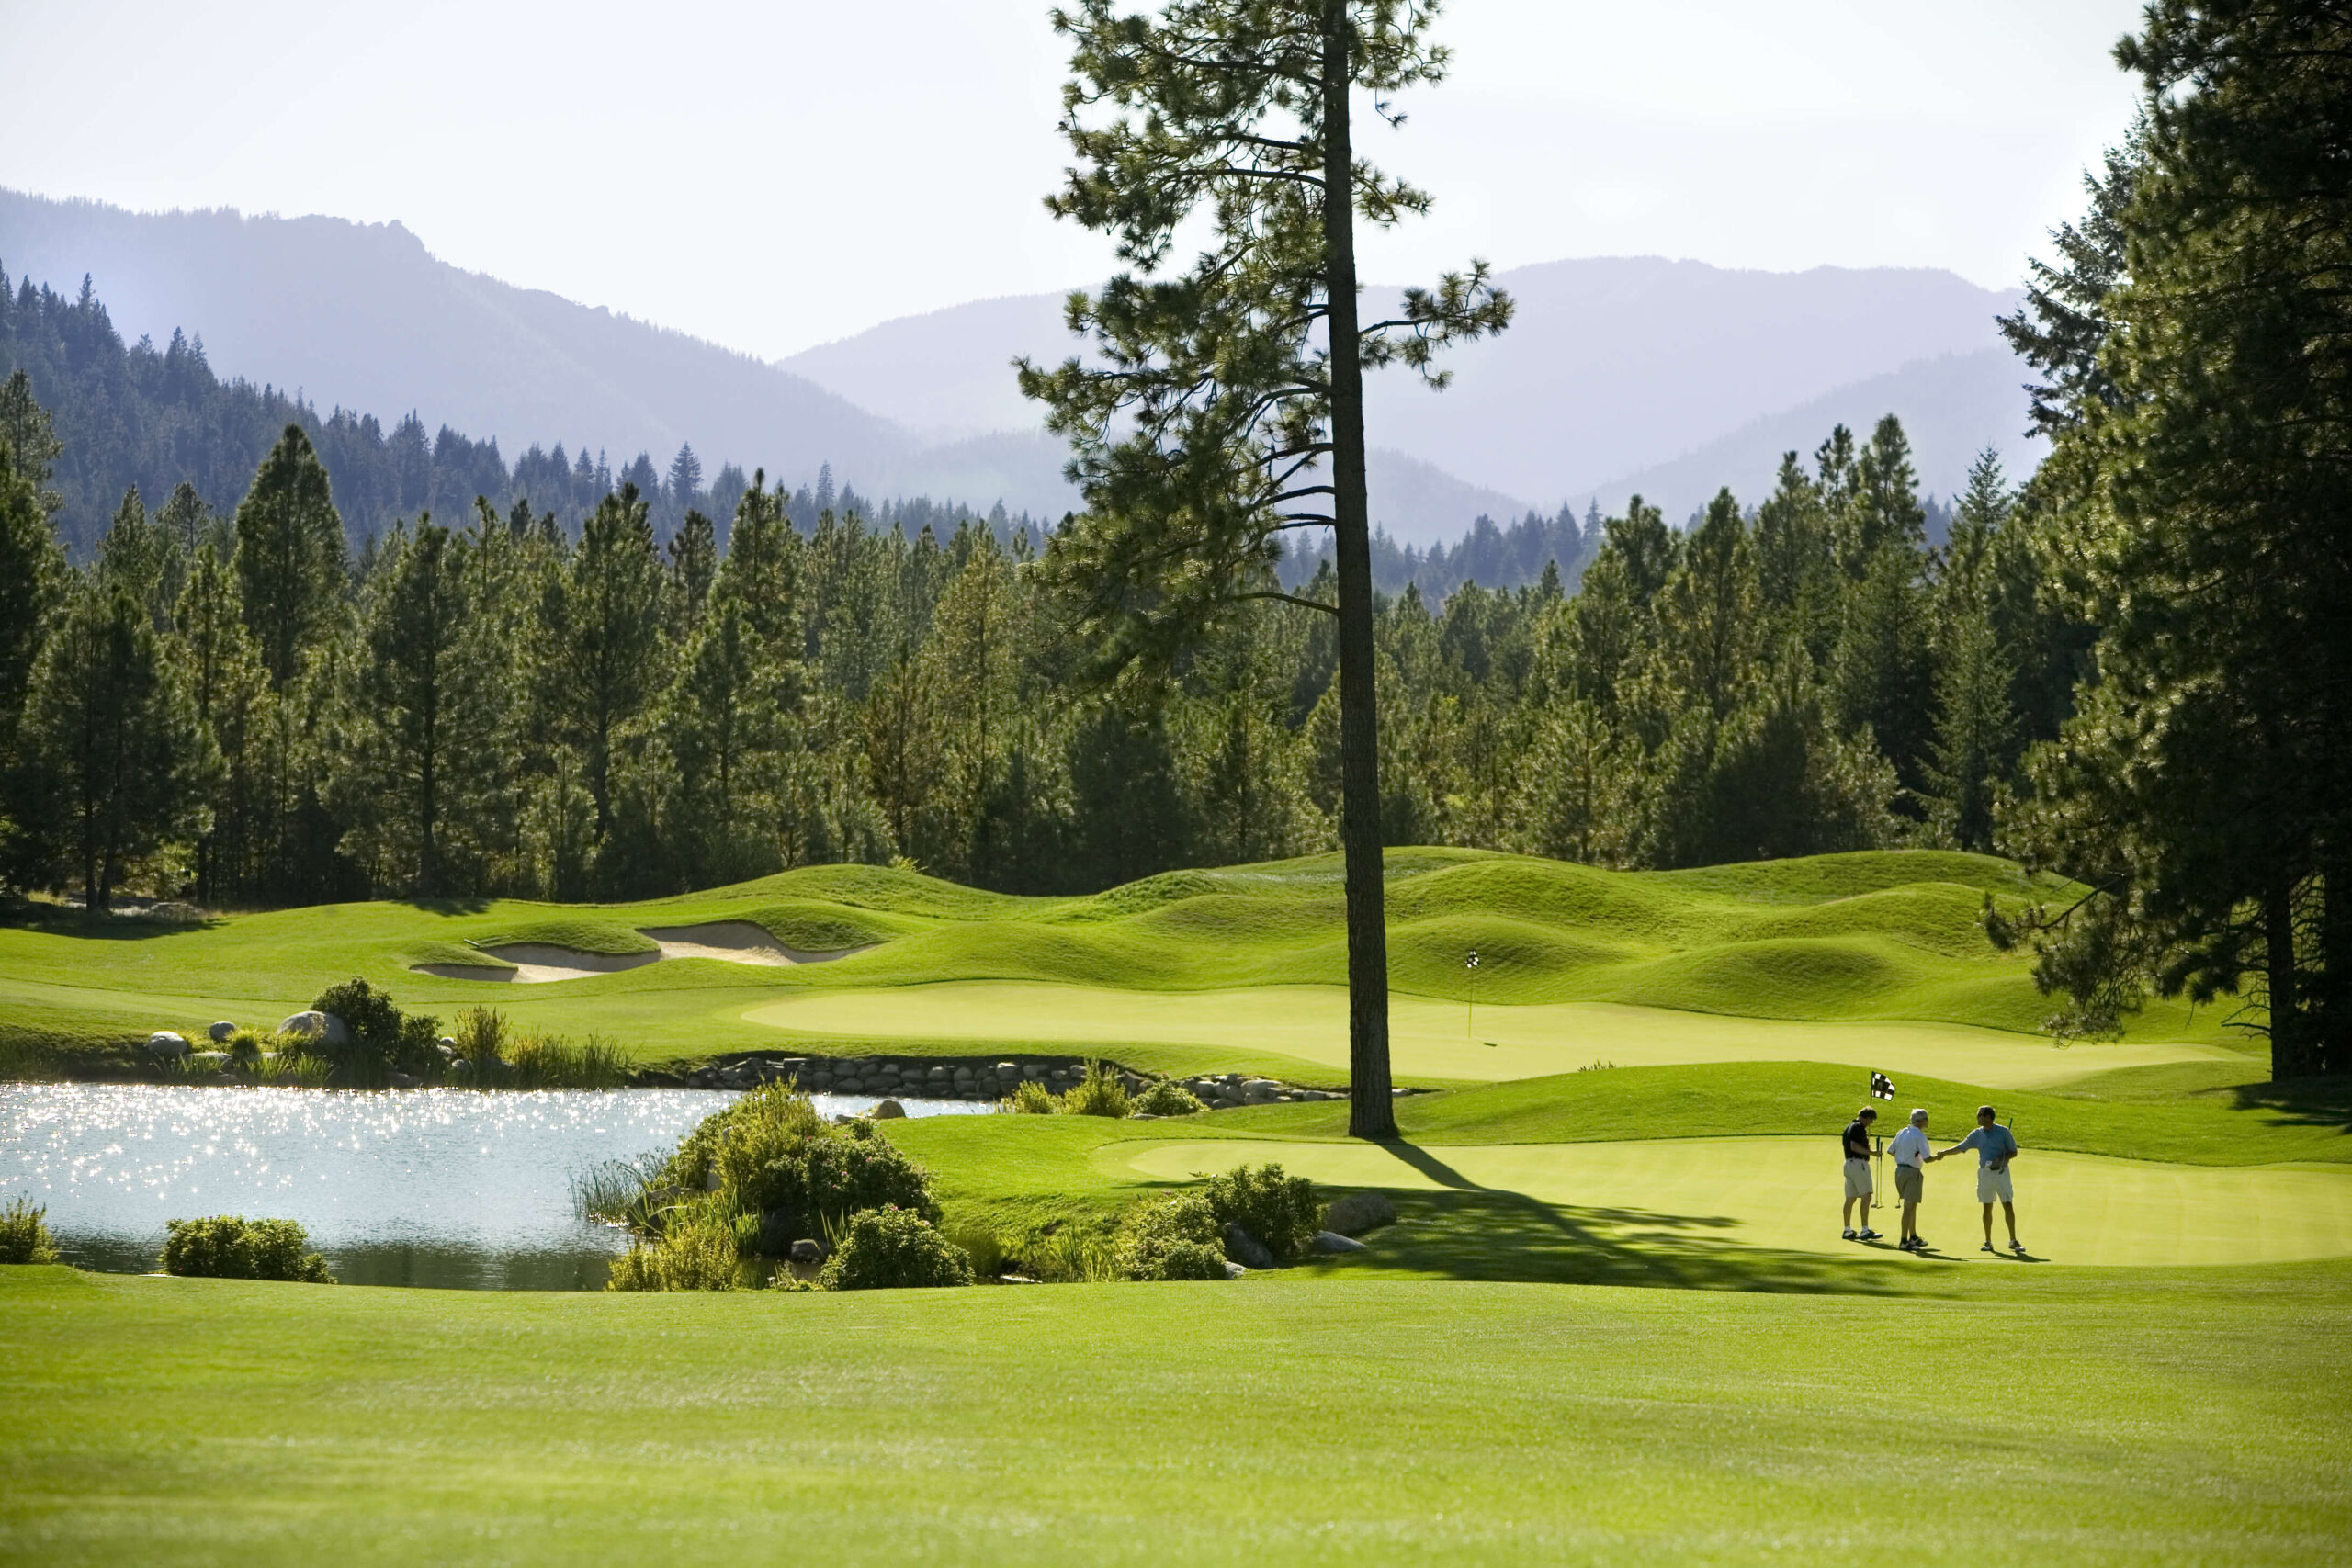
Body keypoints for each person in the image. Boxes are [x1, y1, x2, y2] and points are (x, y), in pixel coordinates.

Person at [1935, 1104, 2023, 1254]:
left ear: (1988, 1117)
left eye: (1979, 1115)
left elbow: (2013, 1152)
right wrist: (1944, 1153)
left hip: (2001, 1172)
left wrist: (2000, 1158)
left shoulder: (2003, 1132)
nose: (1977, 1118)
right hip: (1985, 1174)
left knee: (2007, 1204)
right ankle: (1988, 1242)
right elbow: (1961, 1147)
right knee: (1987, 1206)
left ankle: (2013, 1240)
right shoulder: (1977, 1134)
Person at [1888, 1108, 1933, 1250]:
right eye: (1926, 1118)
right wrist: (1939, 1157)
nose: (1927, 1121)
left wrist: (1903, 1158)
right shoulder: (1919, 1136)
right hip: (1912, 1172)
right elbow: (1927, 1158)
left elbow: (1891, 1151)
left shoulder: (1902, 1132)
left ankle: (1913, 1237)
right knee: (1908, 1207)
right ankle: (1903, 1241)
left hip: (1899, 1171)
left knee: (1912, 1206)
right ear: (1920, 1121)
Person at [1840, 1105, 1881, 1240]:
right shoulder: (1858, 1127)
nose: (1870, 1124)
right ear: (1867, 1118)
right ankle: (1865, 1229)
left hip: (1848, 1164)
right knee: (1866, 1196)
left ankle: (1847, 1230)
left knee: (1850, 1198)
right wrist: (1872, 1153)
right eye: (1871, 1121)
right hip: (1858, 1164)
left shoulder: (1849, 1127)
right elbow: (1854, 1146)